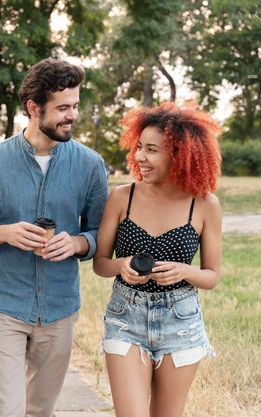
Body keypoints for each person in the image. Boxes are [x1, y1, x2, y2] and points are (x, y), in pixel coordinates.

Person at [0, 58, 109, 416]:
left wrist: (77, 243)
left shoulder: (90, 164)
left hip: (59, 309)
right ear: (33, 107)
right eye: (62, 108)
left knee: (40, 410)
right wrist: (3, 233)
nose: (71, 115)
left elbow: (102, 235)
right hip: (4, 307)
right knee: (8, 410)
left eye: (74, 105)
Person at [93, 102, 222, 417]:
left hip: (180, 321)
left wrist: (185, 271)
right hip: (126, 317)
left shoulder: (205, 205)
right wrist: (120, 266)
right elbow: (100, 262)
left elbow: (211, 276)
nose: (139, 157)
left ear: (179, 154)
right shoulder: (123, 197)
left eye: (151, 150)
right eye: (139, 147)